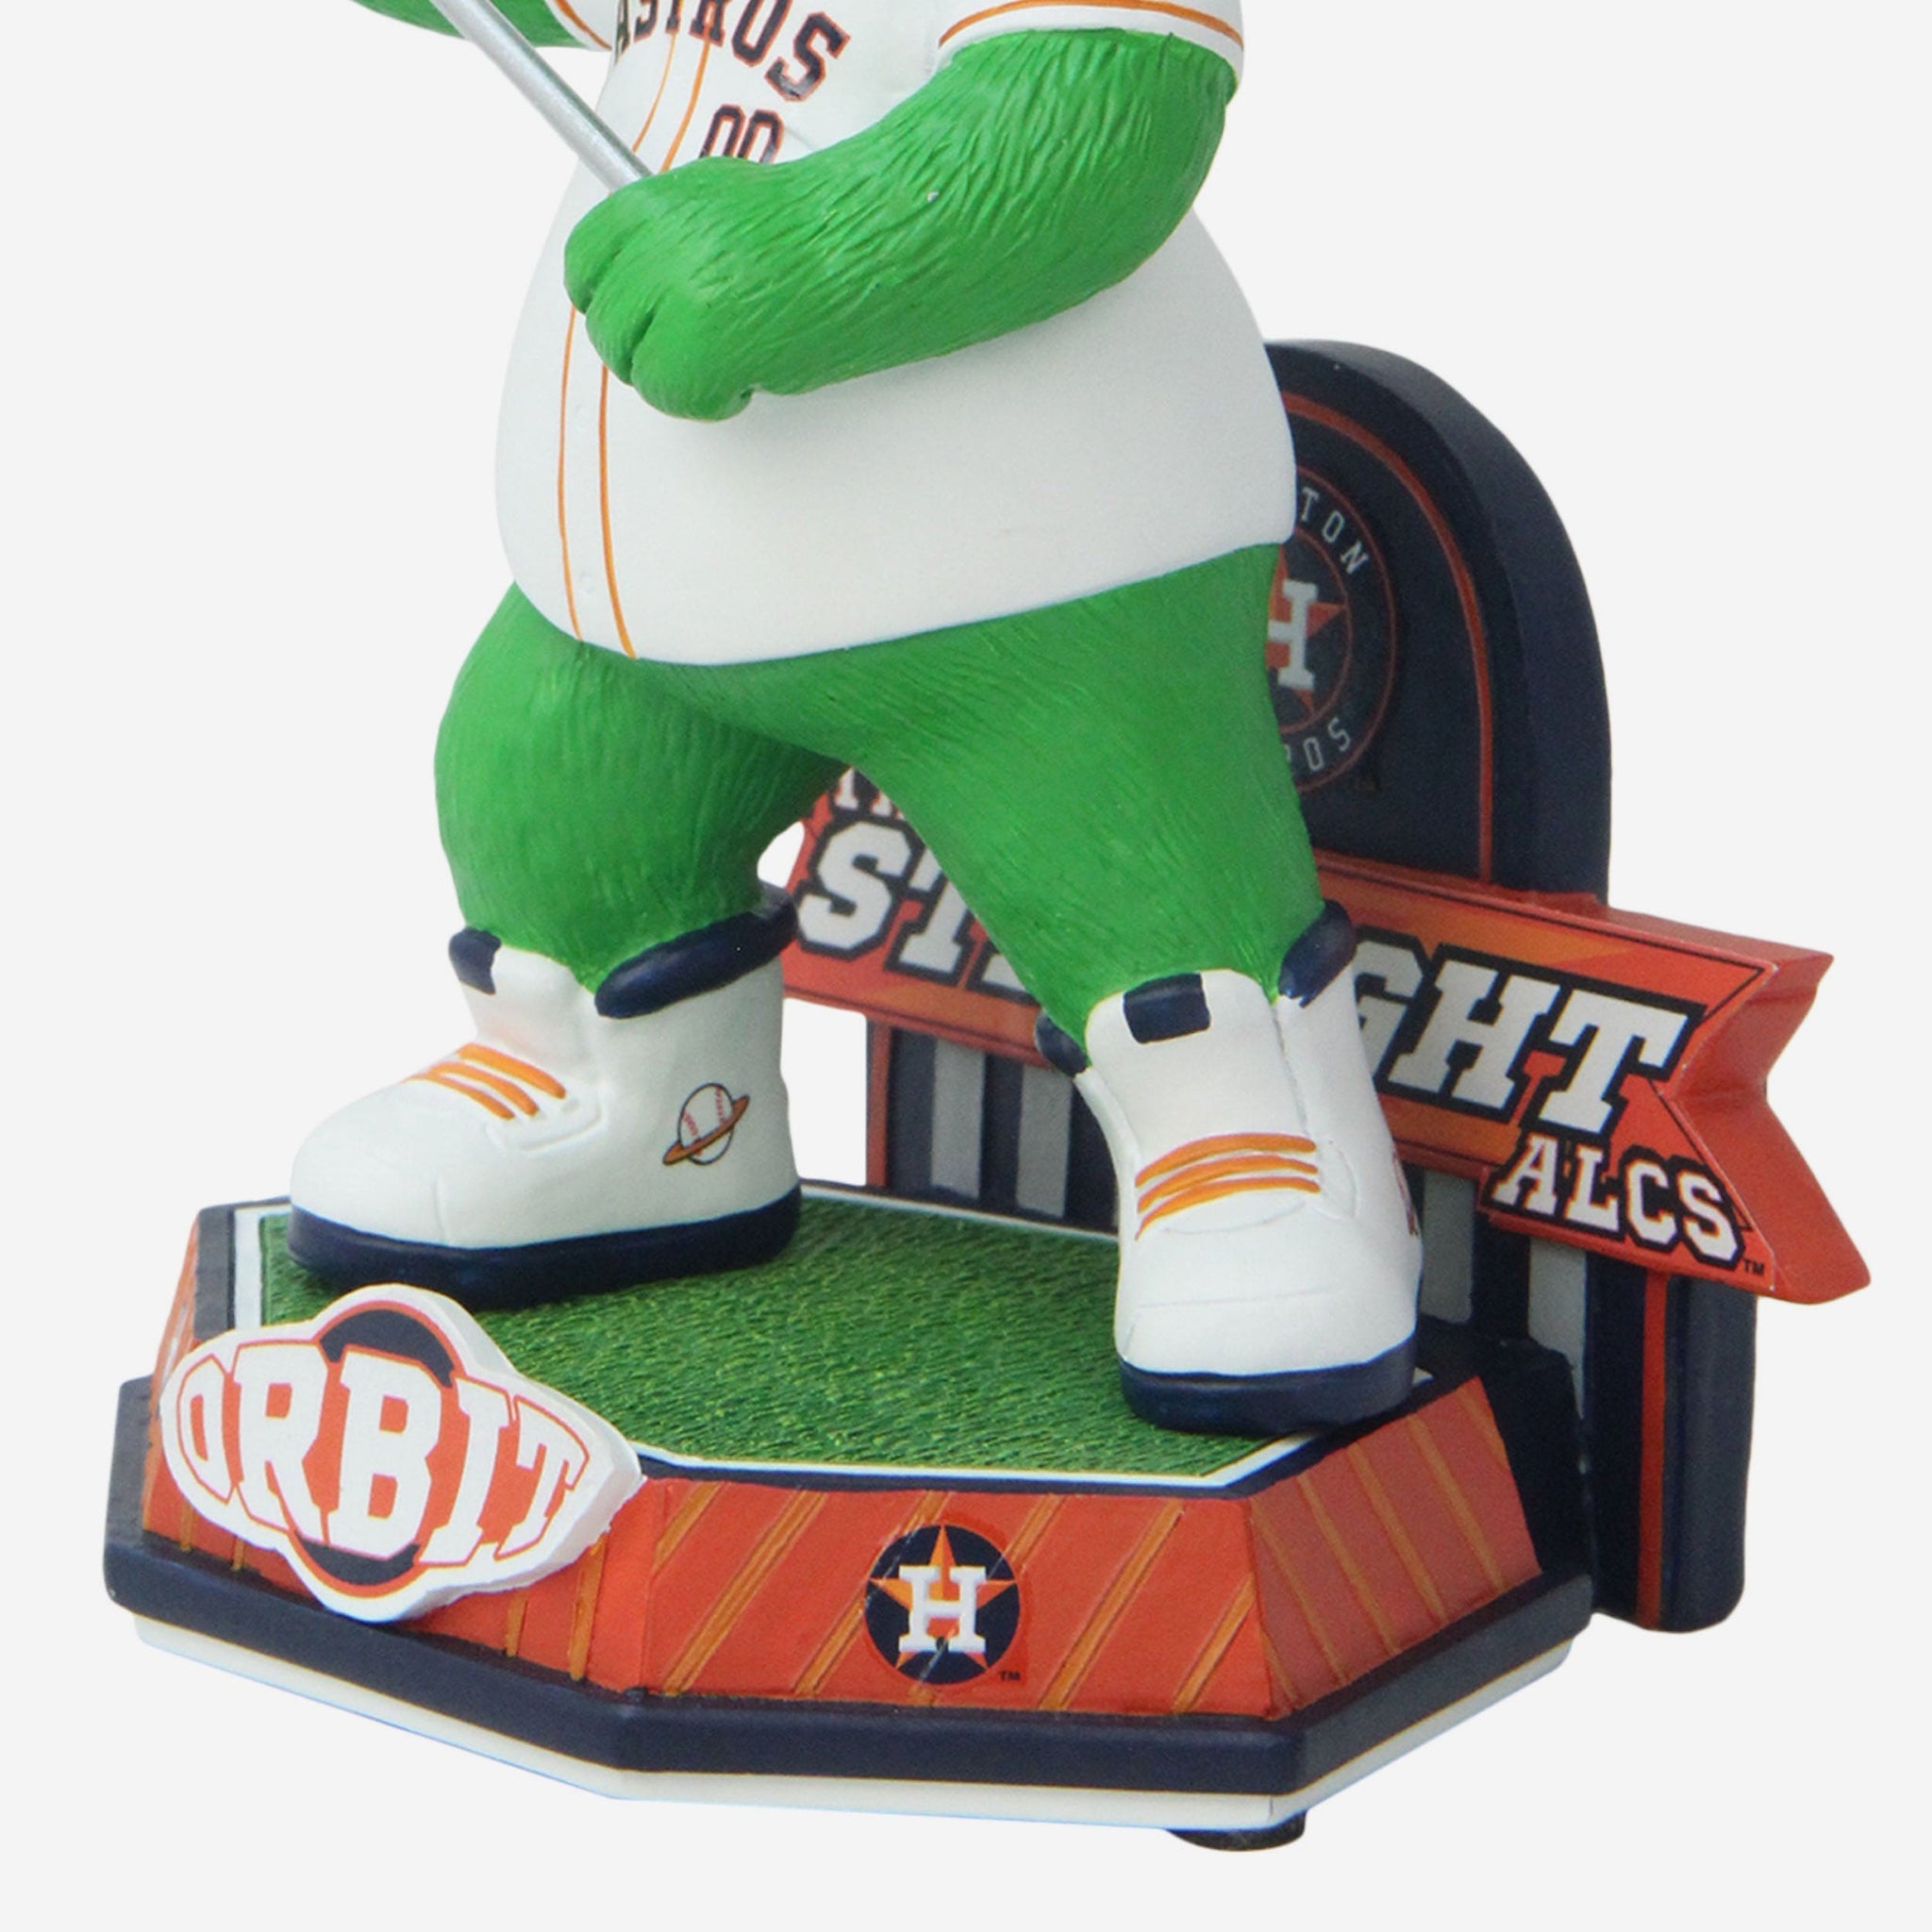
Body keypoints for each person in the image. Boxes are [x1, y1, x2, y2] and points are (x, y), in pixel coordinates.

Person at [292, 0, 1422, 1432]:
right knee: (542, 781)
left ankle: (1244, 1139)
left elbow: (1095, 119)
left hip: (1029, 568)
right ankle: (620, 1090)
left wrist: (797, 255)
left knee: (1134, 862)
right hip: (652, 595)